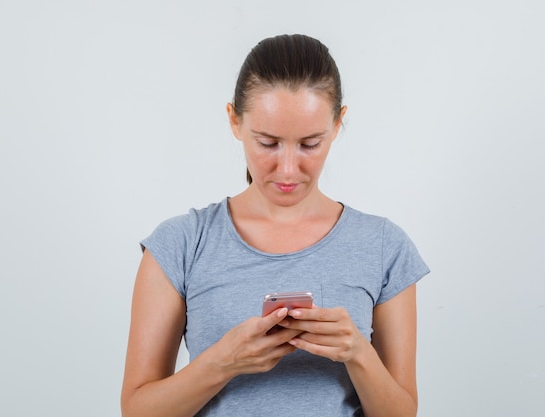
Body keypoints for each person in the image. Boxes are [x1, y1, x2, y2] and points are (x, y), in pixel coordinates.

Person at [121, 34, 429, 417]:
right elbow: (137, 410)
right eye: (267, 142)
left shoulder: (385, 247)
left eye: (310, 144)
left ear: (337, 125)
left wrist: (358, 353)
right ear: (235, 121)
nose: (287, 169)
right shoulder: (180, 244)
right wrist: (222, 362)